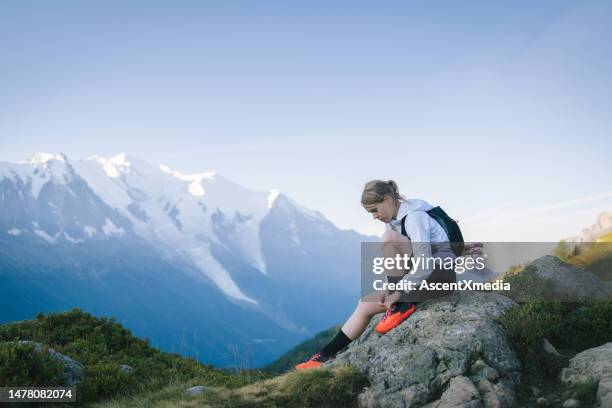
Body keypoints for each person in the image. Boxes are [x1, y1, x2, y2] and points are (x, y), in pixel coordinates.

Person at [295, 179, 456, 370]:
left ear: (387, 199)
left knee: (388, 240)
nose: (374, 216)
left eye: (374, 210)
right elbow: (400, 263)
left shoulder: (414, 217)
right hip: (421, 282)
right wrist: (390, 287)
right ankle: (324, 355)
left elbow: (425, 262)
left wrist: (399, 291)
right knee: (364, 304)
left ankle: (401, 306)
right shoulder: (394, 222)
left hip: (439, 280)